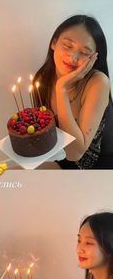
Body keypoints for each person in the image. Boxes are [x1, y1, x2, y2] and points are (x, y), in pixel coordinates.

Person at [32, 15, 113, 169]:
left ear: (94, 58)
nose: (73, 57)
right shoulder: (42, 79)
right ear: (54, 43)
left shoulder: (98, 83)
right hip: (63, 163)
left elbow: (75, 153)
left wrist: (61, 88)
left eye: (84, 52)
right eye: (68, 46)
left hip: (102, 170)